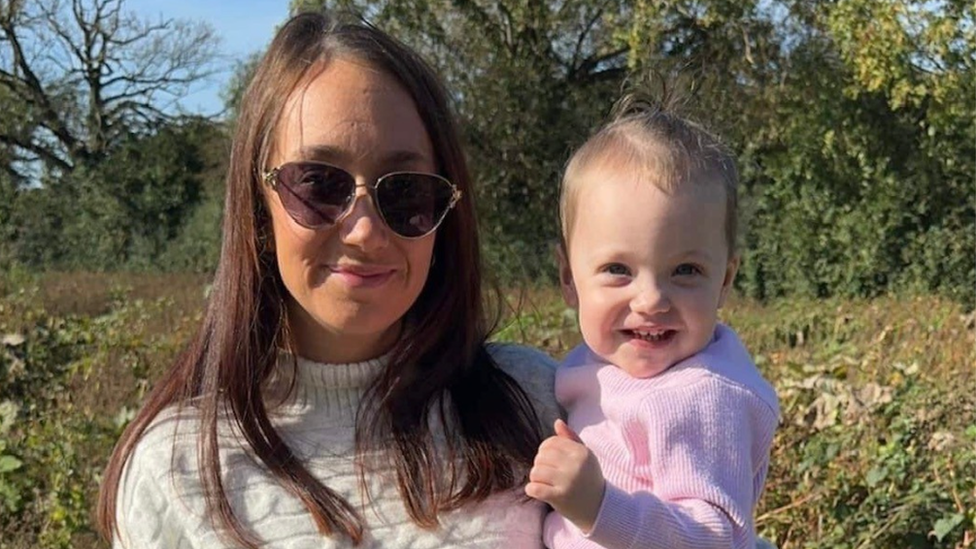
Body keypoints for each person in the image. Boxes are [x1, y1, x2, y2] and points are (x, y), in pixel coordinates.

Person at [96, 10, 560, 549]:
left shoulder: (538, 401)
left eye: (406, 192)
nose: (364, 231)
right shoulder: (176, 471)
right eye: (318, 184)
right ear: (257, 205)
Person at [524, 96, 780, 549]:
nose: (652, 300)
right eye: (618, 270)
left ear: (724, 280)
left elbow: (716, 538)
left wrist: (599, 506)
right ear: (569, 278)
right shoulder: (597, 363)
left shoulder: (702, 396)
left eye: (686, 271)